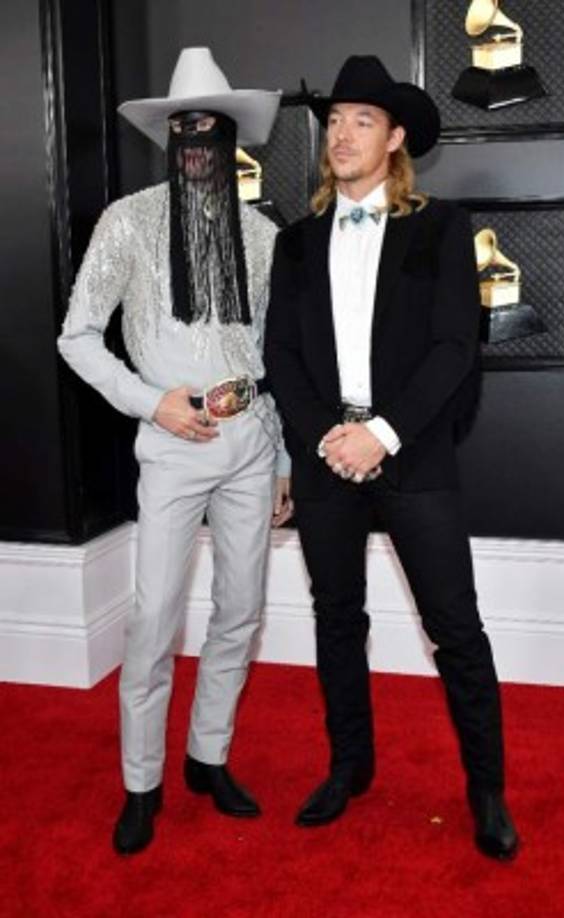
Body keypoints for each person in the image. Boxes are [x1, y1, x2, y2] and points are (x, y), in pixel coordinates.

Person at [265, 55, 519, 860]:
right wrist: (326, 440)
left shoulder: (444, 227)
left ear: (396, 136)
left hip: (412, 455)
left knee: (456, 628)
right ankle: (349, 767)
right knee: (337, 620)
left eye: (362, 121)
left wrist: (383, 433)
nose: (342, 134)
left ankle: (487, 790)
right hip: (325, 457)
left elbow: (455, 349)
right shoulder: (296, 242)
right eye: (335, 120)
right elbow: (281, 357)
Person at [58, 47, 293, 855]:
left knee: (242, 611)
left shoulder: (263, 234)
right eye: (184, 125)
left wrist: (286, 459)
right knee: (154, 616)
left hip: (251, 442)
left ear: (233, 138)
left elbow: (275, 357)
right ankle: (141, 780)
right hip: (169, 442)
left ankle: (208, 757)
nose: (198, 137)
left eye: (213, 126)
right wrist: (149, 401)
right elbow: (77, 337)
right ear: (168, 135)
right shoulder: (126, 221)